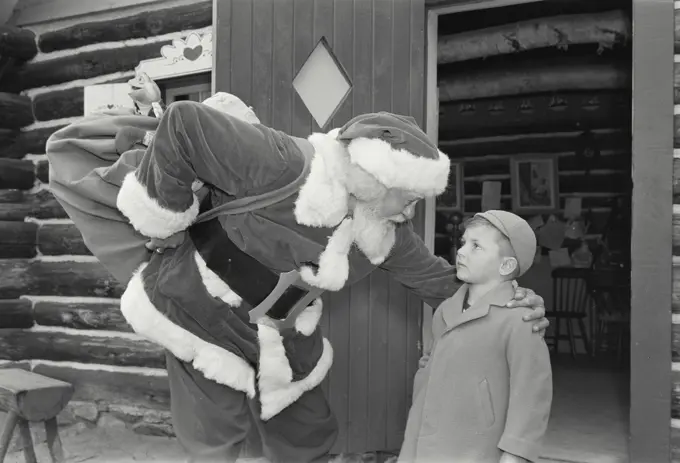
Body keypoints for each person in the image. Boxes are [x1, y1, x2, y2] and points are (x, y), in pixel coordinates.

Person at [46, 86, 550, 463]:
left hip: (284, 333)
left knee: (308, 435)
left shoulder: (382, 229)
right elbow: (183, 125)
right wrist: (164, 215)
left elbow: (440, 283)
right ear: (380, 175)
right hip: (202, 306)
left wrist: (509, 298)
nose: (414, 209)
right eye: (411, 195)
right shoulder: (287, 162)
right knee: (213, 438)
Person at [398, 210, 552, 463]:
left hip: (477, 449)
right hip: (426, 440)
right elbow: (430, 361)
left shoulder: (520, 321)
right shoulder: (445, 310)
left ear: (506, 265)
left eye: (476, 246)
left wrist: (516, 454)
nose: (461, 251)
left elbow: (531, 394)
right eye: (463, 243)